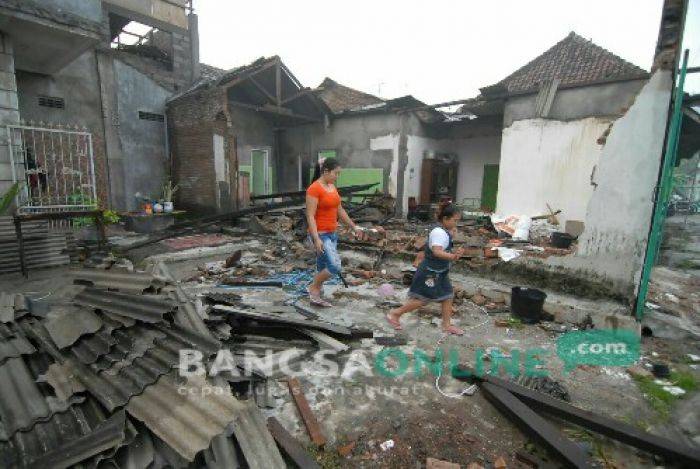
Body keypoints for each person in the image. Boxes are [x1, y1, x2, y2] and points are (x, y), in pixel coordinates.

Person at [387, 203, 465, 335]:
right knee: (422, 300)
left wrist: (452, 236)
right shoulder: (439, 232)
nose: (456, 223)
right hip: (430, 272)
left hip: (439, 272)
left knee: (447, 295)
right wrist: (453, 256)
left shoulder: (444, 231)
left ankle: (446, 325)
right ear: (445, 219)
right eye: (455, 220)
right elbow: (437, 252)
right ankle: (395, 313)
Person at [305, 158, 363, 307]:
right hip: (321, 234)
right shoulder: (314, 189)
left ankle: (316, 292)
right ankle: (314, 287)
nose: (337, 177)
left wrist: (353, 226)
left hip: (332, 233)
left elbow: (339, 210)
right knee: (335, 266)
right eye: (336, 173)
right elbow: (310, 215)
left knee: (322, 264)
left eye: (339, 174)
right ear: (325, 171)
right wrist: (316, 238)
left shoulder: (331, 187)